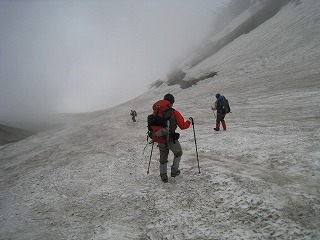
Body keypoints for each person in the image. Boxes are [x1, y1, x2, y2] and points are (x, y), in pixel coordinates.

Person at [152, 93, 191, 182]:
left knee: (163, 157)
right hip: (170, 137)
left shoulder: (157, 112)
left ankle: (163, 176)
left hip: (160, 137)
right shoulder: (173, 112)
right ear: (172, 103)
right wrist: (189, 122)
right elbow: (183, 126)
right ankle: (174, 171)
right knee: (178, 153)